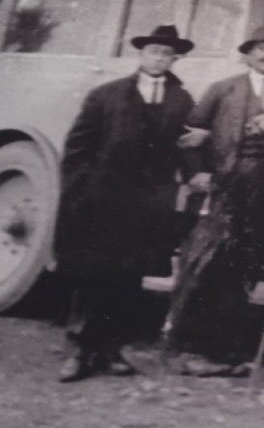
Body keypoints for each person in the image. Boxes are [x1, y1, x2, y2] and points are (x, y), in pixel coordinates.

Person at [53, 25, 196, 382]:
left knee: (129, 278)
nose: (159, 58)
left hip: (148, 205)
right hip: (103, 201)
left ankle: (112, 350)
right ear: (142, 55)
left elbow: (187, 147)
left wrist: (195, 176)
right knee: (91, 276)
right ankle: (78, 351)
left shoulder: (182, 101)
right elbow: (77, 151)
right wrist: (82, 192)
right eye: (154, 52)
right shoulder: (107, 95)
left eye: (167, 54)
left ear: (174, 59)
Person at [163, 24, 264, 376]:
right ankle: (188, 349)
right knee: (206, 264)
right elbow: (189, 134)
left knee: (246, 268)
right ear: (248, 54)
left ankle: (227, 353)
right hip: (224, 188)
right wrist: (197, 174)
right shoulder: (223, 90)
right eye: (261, 48)